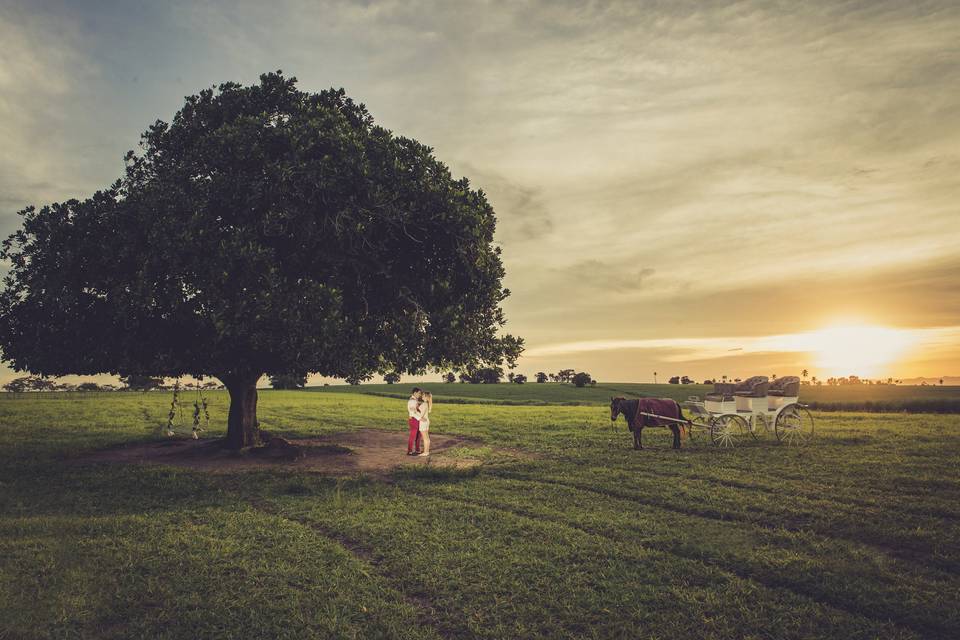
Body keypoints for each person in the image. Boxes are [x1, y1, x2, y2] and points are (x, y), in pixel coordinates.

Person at [407, 387, 423, 455]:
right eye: (419, 393)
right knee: (413, 435)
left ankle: (417, 449)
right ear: (415, 393)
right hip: (414, 419)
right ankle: (410, 450)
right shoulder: (412, 401)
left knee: (418, 435)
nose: (420, 395)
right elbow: (412, 412)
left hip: (417, 419)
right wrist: (420, 418)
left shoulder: (415, 400)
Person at [417, 391, 433, 457]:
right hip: (426, 421)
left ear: (426, 397)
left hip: (423, 422)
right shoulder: (426, 404)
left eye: (423, 395)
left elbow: (421, 414)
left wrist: (415, 411)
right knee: (426, 437)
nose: (422, 396)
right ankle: (426, 451)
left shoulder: (424, 404)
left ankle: (426, 452)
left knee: (425, 438)